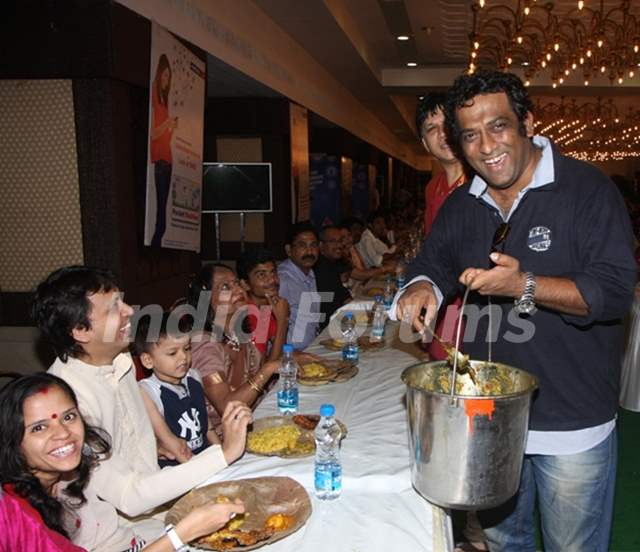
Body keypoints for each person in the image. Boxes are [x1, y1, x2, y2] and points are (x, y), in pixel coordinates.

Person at [394, 70, 636, 552]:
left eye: (498, 126)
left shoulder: (586, 190)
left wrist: (523, 285)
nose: (486, 147)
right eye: (470, 135)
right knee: (506, 543)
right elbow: (434, 261)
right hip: (488, 418)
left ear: (526, 121)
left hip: (571, 415)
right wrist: (421, 287)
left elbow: (612, 291)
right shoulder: (464, 203)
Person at [33, 266, 250, 518]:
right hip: (120, 531)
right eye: (114, 307)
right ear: (80, 331)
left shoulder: (119, 358)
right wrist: (223, 453)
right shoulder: (66, 401)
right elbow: (128, 497)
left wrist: (152, 445)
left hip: (159, 497)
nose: (129, 311)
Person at [0, 373, 245, 552]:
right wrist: (181, 534)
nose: (63, 433)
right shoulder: (15, 515)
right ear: (12, 440)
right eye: (39, 428)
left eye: (69, 416)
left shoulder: (68, 468)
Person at [187, 263, 280, 438]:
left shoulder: (237, 333)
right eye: (226, 286)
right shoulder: (204, 344)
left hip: (253, 420)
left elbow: (256, 376)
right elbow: (227, 406)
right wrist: (269, 369)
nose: (238, 289)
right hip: (224, 438)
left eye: (236, 283)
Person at [134, 312, 217, 468]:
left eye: (187, 349)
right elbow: (169, 441)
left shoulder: (194, 377)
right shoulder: (148, 392)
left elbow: (207, 427)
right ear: (148, 360)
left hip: (206, 458)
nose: (183, 357)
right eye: (173, 353)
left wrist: (221, 454)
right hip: (178, 469)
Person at [237, 248, 289, 361]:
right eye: (262, 275)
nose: (272, 280)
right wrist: (282, 321)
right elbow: (264, 370)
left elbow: (281, 355)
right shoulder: (246, 316)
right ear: (245, 284)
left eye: (273, 273)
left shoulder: (265, 309)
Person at [277, 222, 322, 350]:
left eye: (313, 245)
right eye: (302, 245)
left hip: (311, 346)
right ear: (289, 250)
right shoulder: (283, 280)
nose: (309, 251)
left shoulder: (309, 272)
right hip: (292, 354)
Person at [149, 53, 178, 247]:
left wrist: (171, 128)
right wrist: (167, 123)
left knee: (163, 213)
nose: (166, 80)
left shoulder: (163, 102)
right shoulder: (153, 94)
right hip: (160, 161)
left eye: (169, 77)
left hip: (167, 159)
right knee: (160, 217)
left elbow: (162, 135)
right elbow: (152, 134)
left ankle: (156, 247)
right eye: (164, 75)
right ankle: (154, 249)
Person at [314, 225, 352, 327]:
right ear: (321, 245)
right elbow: (328, 306)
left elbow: (341, 293)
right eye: (333, 241)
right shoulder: (320, 268)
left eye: (340, 241)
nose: (339, 245)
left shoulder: (331, 264)